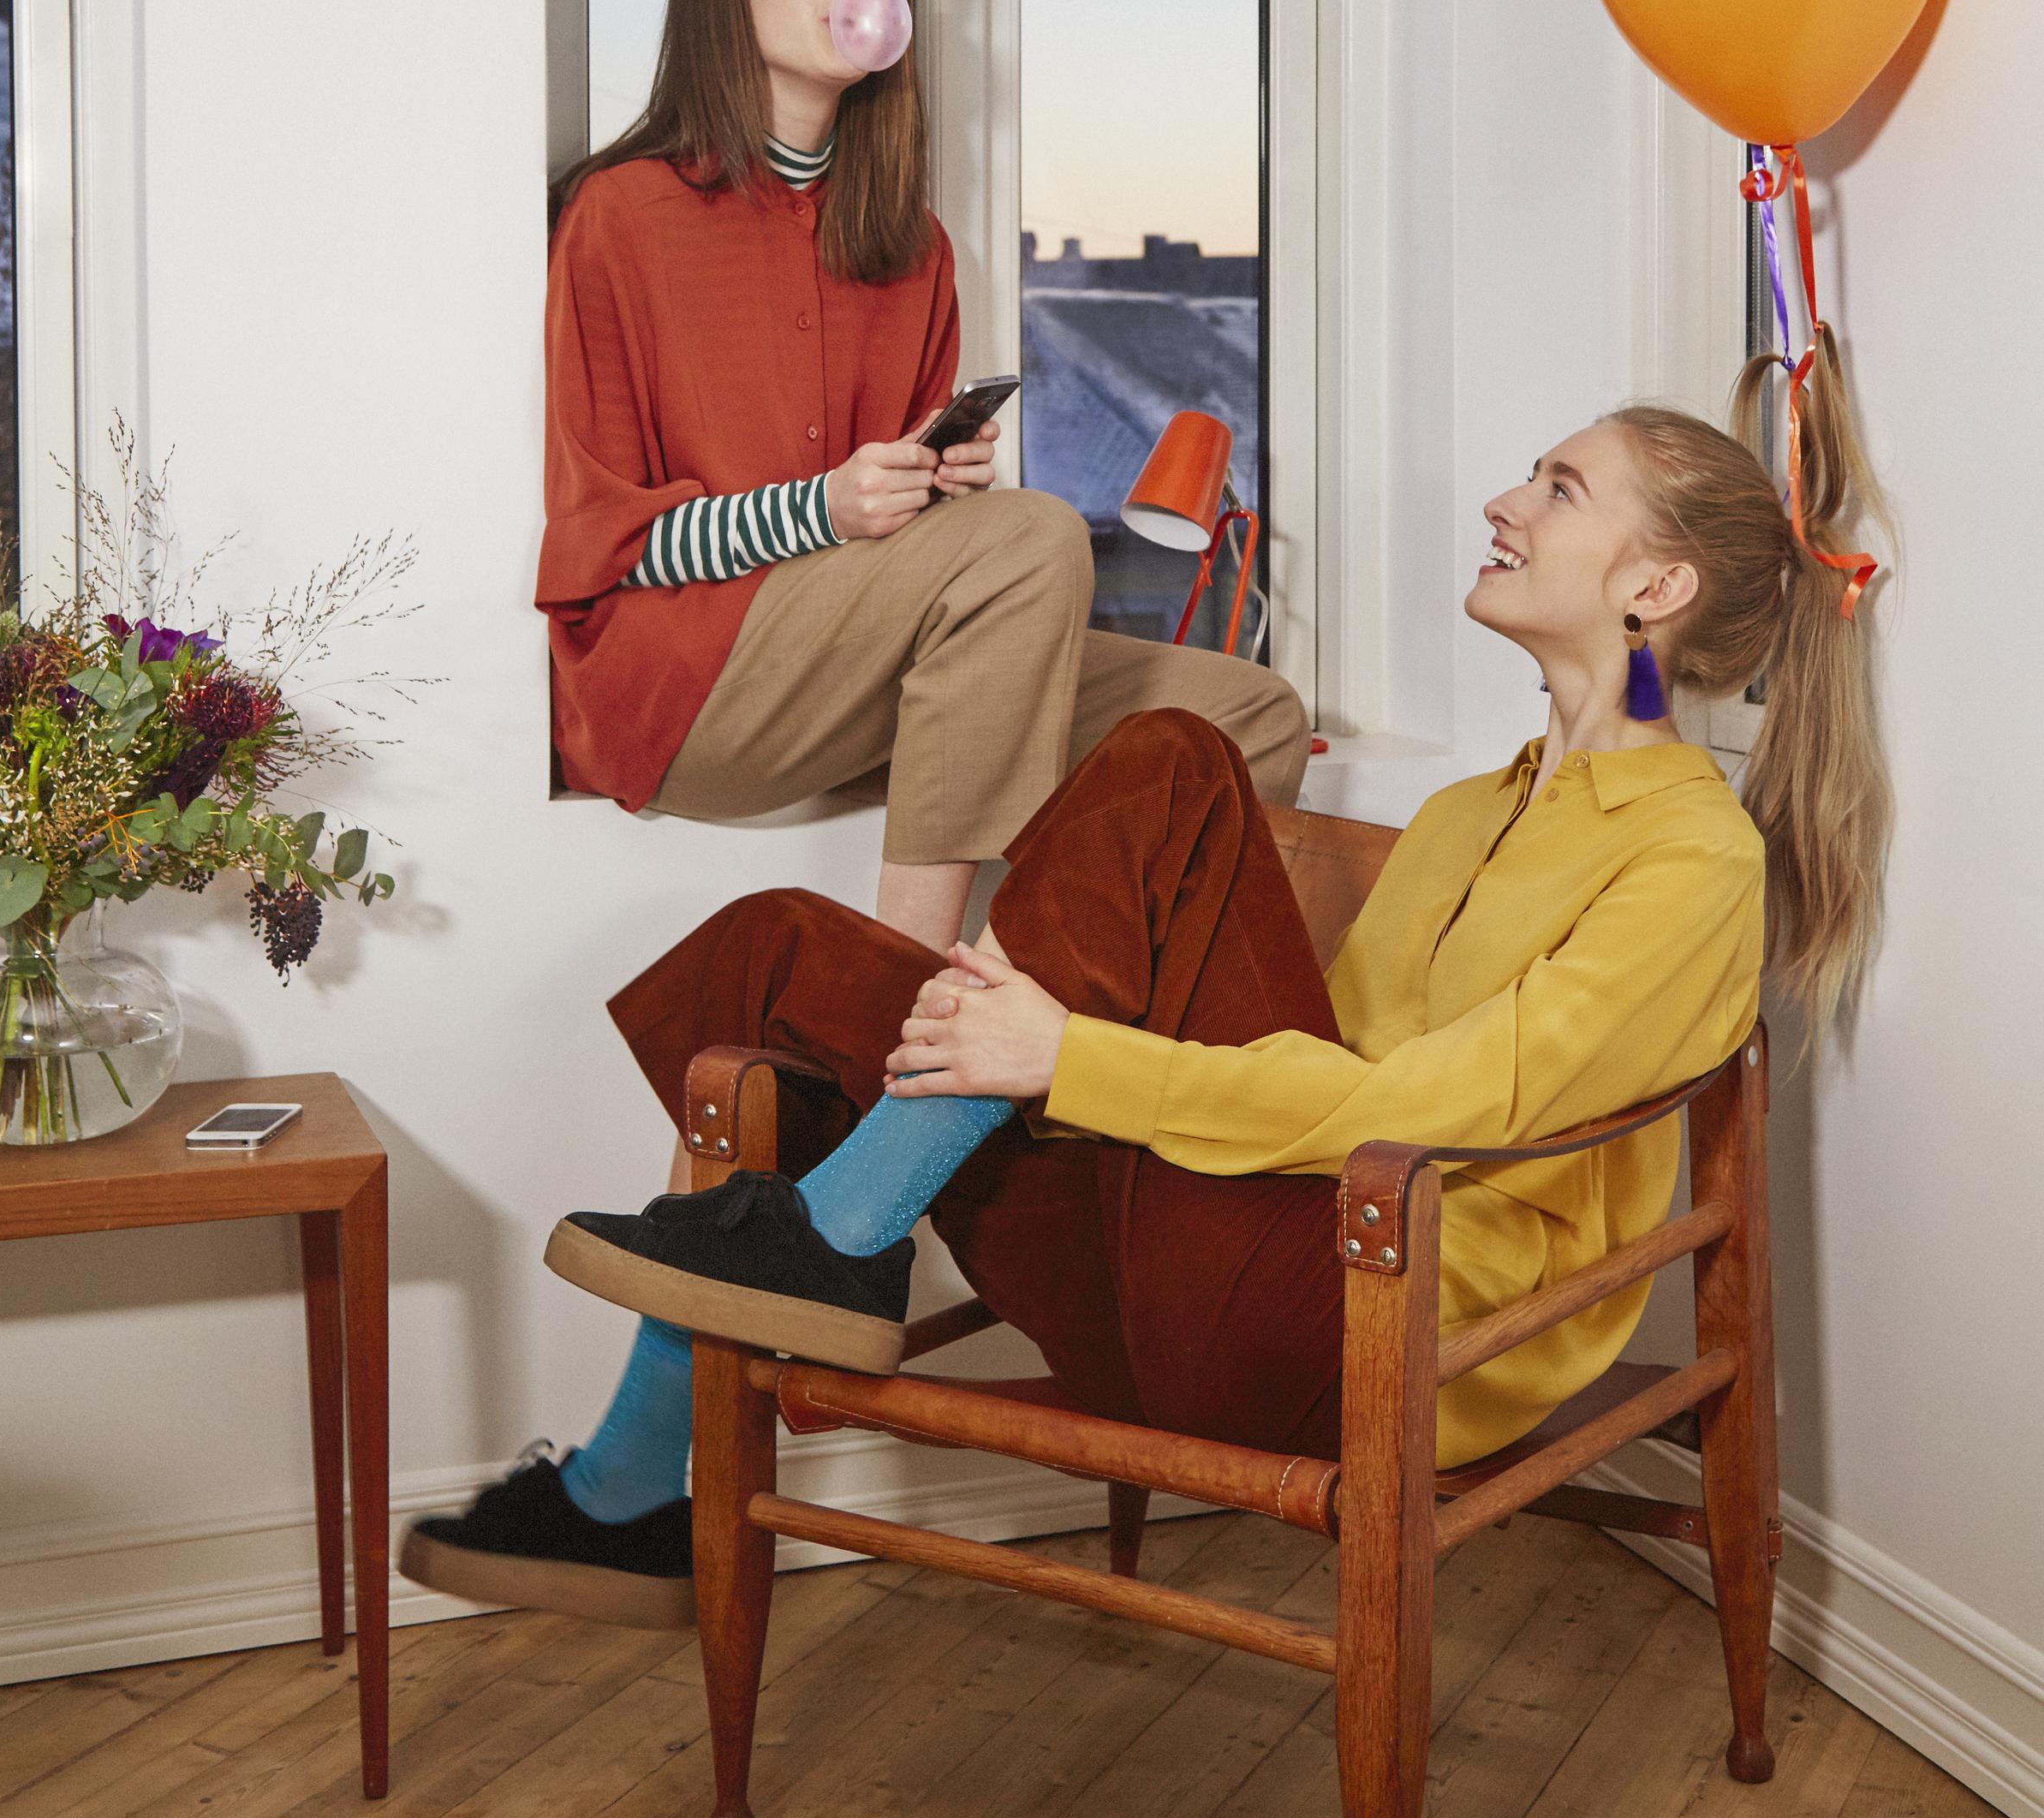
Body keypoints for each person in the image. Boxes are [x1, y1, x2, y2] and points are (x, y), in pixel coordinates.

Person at [404, 339, 1889, 1626]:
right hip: (1207, 1270)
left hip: (1383, 1327)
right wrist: (1064, 1049)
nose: (1505, 502)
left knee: (1175, 756)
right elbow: (1312, 1047)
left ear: (1658, 584)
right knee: (774, 951)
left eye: (1558, 489)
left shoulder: (1695, 861)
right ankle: (636, 1483)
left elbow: (1435, 1107)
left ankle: (835, 1238)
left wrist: (1070, 1062)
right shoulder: (1463, 815)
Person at [397, 0, 1309, 1623]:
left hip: (875, 666)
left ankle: (878, 1177)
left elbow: (954, 569)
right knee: (1035, 537)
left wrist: (931, 495)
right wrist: (838, 512)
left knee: (1244, 712)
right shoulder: (625, 215)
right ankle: (909, 1064)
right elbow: (600, 541)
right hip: (685, 671)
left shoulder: (917, 249)